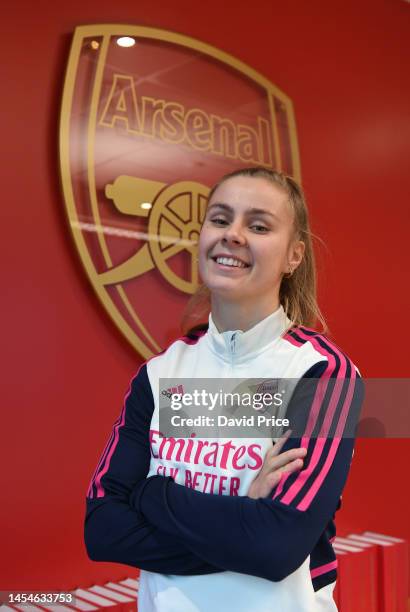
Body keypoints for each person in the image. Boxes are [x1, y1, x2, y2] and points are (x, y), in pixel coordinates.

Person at [84, 167, 364, 611]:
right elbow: (103, 530)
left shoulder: (323, 374)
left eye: (257, 225)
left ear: (294, 255)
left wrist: (153, 494)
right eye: (220, 219)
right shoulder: (159, 375)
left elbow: (275, 547)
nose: (232, 235)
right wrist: (242, 515)